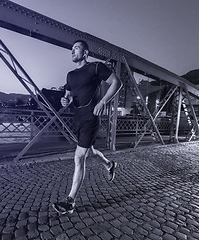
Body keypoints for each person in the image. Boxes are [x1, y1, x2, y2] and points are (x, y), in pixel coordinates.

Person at [52, 40, 123, 215]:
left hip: (92, 117)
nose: (72, 51)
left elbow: (116, 82)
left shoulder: (96, 68)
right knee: (89, 150)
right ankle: (109, 164)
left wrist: (103, 101)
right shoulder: (70, 75)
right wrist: (65, 101)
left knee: (79, 157)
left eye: (76, 48)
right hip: (78, 118)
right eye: (71, 49)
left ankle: (70, 201)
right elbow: (68, 96)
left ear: (85, 53)